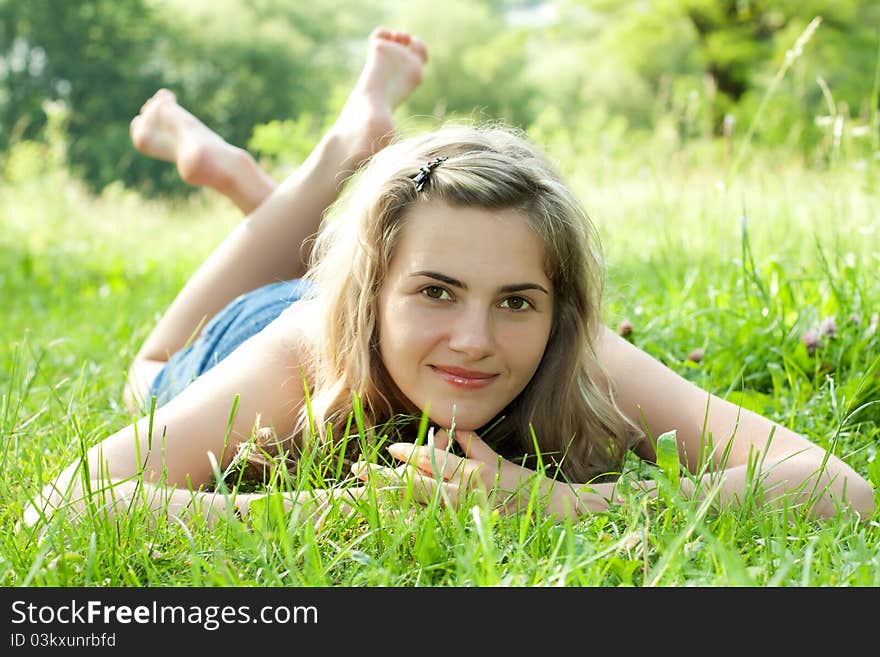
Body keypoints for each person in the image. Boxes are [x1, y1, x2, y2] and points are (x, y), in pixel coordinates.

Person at [22, 27, 875, 532]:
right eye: (436, 290)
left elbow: (841, 487)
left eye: (516, 301)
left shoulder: (580, 353)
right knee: (147, 370)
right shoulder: (294, 353)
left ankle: (243, 177)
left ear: (558, 307)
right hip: (256, 324)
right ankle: (333, 149)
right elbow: (63, 503)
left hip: (355, 281)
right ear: (372, 293)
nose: (475, 339)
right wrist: (321, 515)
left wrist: (558, 507)